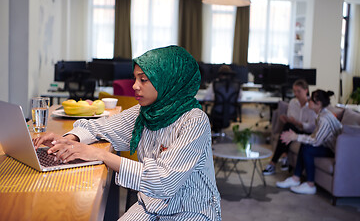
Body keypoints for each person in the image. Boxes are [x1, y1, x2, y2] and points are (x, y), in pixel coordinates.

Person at [33, 45, 222, 220]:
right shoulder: (145, 113)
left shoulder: (195, 121)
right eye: (135, 79)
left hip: (190, 210)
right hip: (152, 205)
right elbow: (98, 127)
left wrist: (100, 155)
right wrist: (67, 140)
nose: (135, 86)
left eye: (144, 80)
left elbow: (164, 182)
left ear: (167, 81)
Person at [276, 89, 342, 195]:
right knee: (305, 144)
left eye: (311, 99)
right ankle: (295, 178)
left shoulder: (324, 119)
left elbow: (315, 141)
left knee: (307, 148)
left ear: (318, 104)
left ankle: (310, 185)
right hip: (327, 146)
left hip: (334, 150)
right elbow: (315, 137)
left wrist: (296, 136)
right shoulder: (321, 115)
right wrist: (299, 137)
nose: (308, 100)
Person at [262, 79, 317, 175]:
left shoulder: (311, 106)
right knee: (288, 127)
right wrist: (286, 119)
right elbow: (291, 119)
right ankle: (281, 159)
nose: (296, 94)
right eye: (294, 91)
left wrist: (298, 123)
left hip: (305, 131)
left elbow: (311, 127)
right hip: (293, 128)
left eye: (298, 91)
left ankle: (274, 162)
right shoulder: (292, 102)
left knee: (288, 130)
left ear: (306, 91)